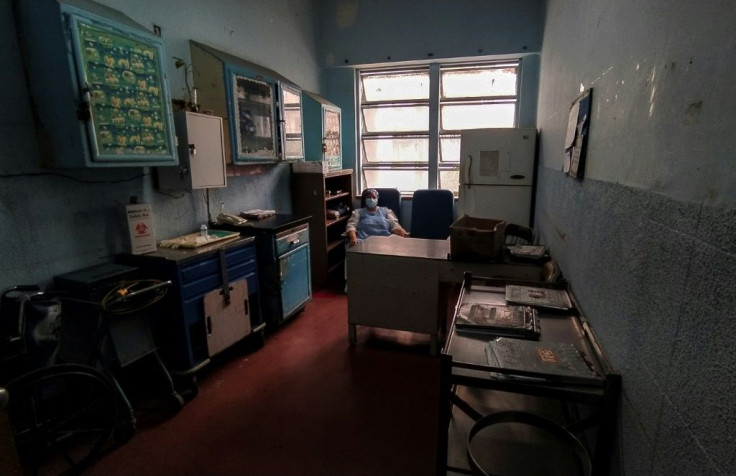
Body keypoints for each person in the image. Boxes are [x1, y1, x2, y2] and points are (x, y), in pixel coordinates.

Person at [345, 189, 409, 246]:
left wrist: (401, 231)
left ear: (377, 199)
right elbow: (351, 227)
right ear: (365, 199)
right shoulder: (357, 212)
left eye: (374, 197)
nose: (371, 199)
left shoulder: (386, 211)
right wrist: (353, 239)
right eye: (369, 197)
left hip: (384, 243)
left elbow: (394, 225)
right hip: (363, 242)